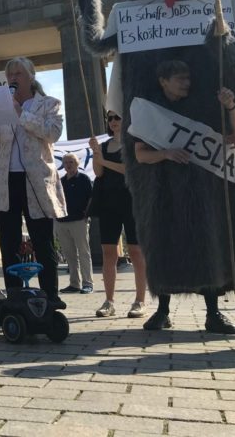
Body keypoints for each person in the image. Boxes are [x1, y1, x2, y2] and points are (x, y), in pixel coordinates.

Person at [133, 60, 235, 334]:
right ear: (163, 80)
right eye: (179, 78)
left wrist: (230, 106)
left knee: (208, 247)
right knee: (166, 249)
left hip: (204, 191)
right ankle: (162, 312)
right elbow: (140, 154)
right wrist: (165, 153)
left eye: (188, 77)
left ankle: (213, 314)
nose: (186, 83)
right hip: (165, 192)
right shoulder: (150, 110)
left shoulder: (204, 103)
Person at [0, 56, 67, 307]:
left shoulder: (49, 104)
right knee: (9, 240)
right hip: (5, 181)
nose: (13, 78)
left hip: (36, 181)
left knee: (42, 239)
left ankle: (51, 295)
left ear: (31, 76)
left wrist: (21, 113)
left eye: (18, 74)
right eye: (10, 75)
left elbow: (52, 133)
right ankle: (14, 296)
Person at [88, 112, 147, 318]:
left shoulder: (133, 144)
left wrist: (103, 161)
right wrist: (96, 153)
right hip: (108, 203)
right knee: (108, 253)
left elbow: (128, 170)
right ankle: (109, 301)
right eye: (110, 119)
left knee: (136, 251)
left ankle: (140, 300)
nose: (113, 122)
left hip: (131, 201)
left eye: (117, 118)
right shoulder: (104, 146)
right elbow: (98, 173)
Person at [55, 153, 94, 295]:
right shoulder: (60, 181)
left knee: (84, 253)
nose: (68, 164)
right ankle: (74, 283)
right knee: (69, 254)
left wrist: (87, 214)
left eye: (71, 162)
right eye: (65, 162)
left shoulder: (84, 179)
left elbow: (91, 198)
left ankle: (87, 283)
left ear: (77, 163)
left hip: (79, 221)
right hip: (62, 221)